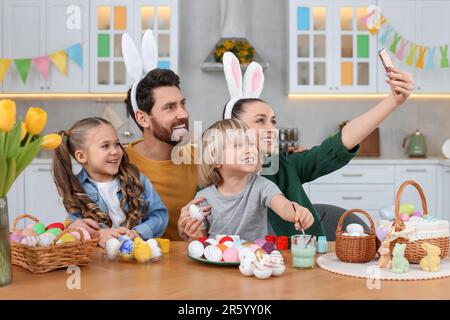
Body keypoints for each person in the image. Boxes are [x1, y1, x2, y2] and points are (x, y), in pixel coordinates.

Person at [53, 117, 168, 247]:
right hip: (99, 260)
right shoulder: (76, 189)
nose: (115, 151)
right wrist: (98, 235)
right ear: (82, 156)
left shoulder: (137, 179)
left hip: (137, 255)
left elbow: (160, 216)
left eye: (117, 143)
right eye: (105, 146)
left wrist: (138, 233)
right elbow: (75, 229)